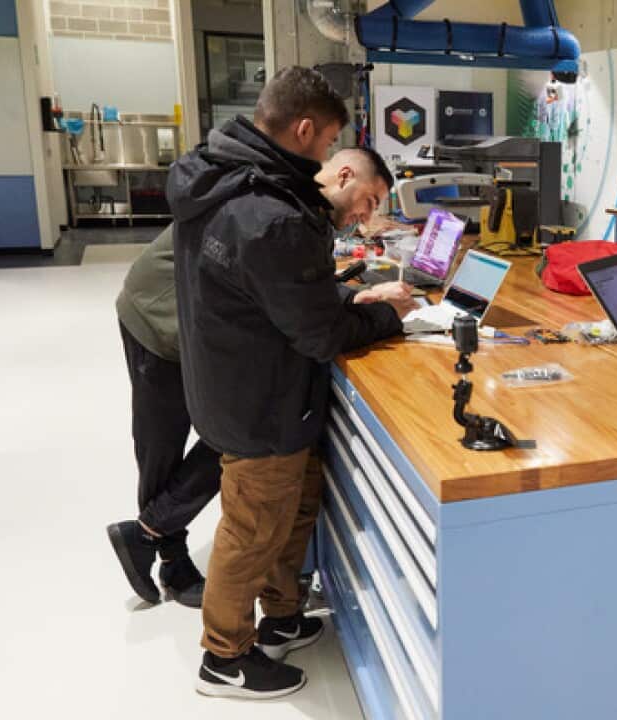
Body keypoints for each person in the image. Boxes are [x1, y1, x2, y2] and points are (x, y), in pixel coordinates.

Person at [168, 66, 417, 700]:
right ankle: (223, 658)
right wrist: (387, 316)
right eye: (330, 139)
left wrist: (349, 293)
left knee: (286, 515)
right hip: (259, 400)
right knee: (252, 532)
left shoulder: (221, 178)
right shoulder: (271, 214)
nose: (330, 153)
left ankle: (280, 619)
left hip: (245, 383)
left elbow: (272, 295)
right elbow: (320, 334)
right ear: (306, 130)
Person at [107, 147, 409, 609]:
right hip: (160, 316)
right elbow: (281, 283)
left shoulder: (302, 201)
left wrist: (353, 296)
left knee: (234, 432)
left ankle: (154, 536)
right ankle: (160, 542)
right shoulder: (284, 203)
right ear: (345, 174)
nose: (368, 215)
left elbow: (283, 281)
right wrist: (376, 312)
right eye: (370, 199)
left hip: (211, 317)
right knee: (170, 441)